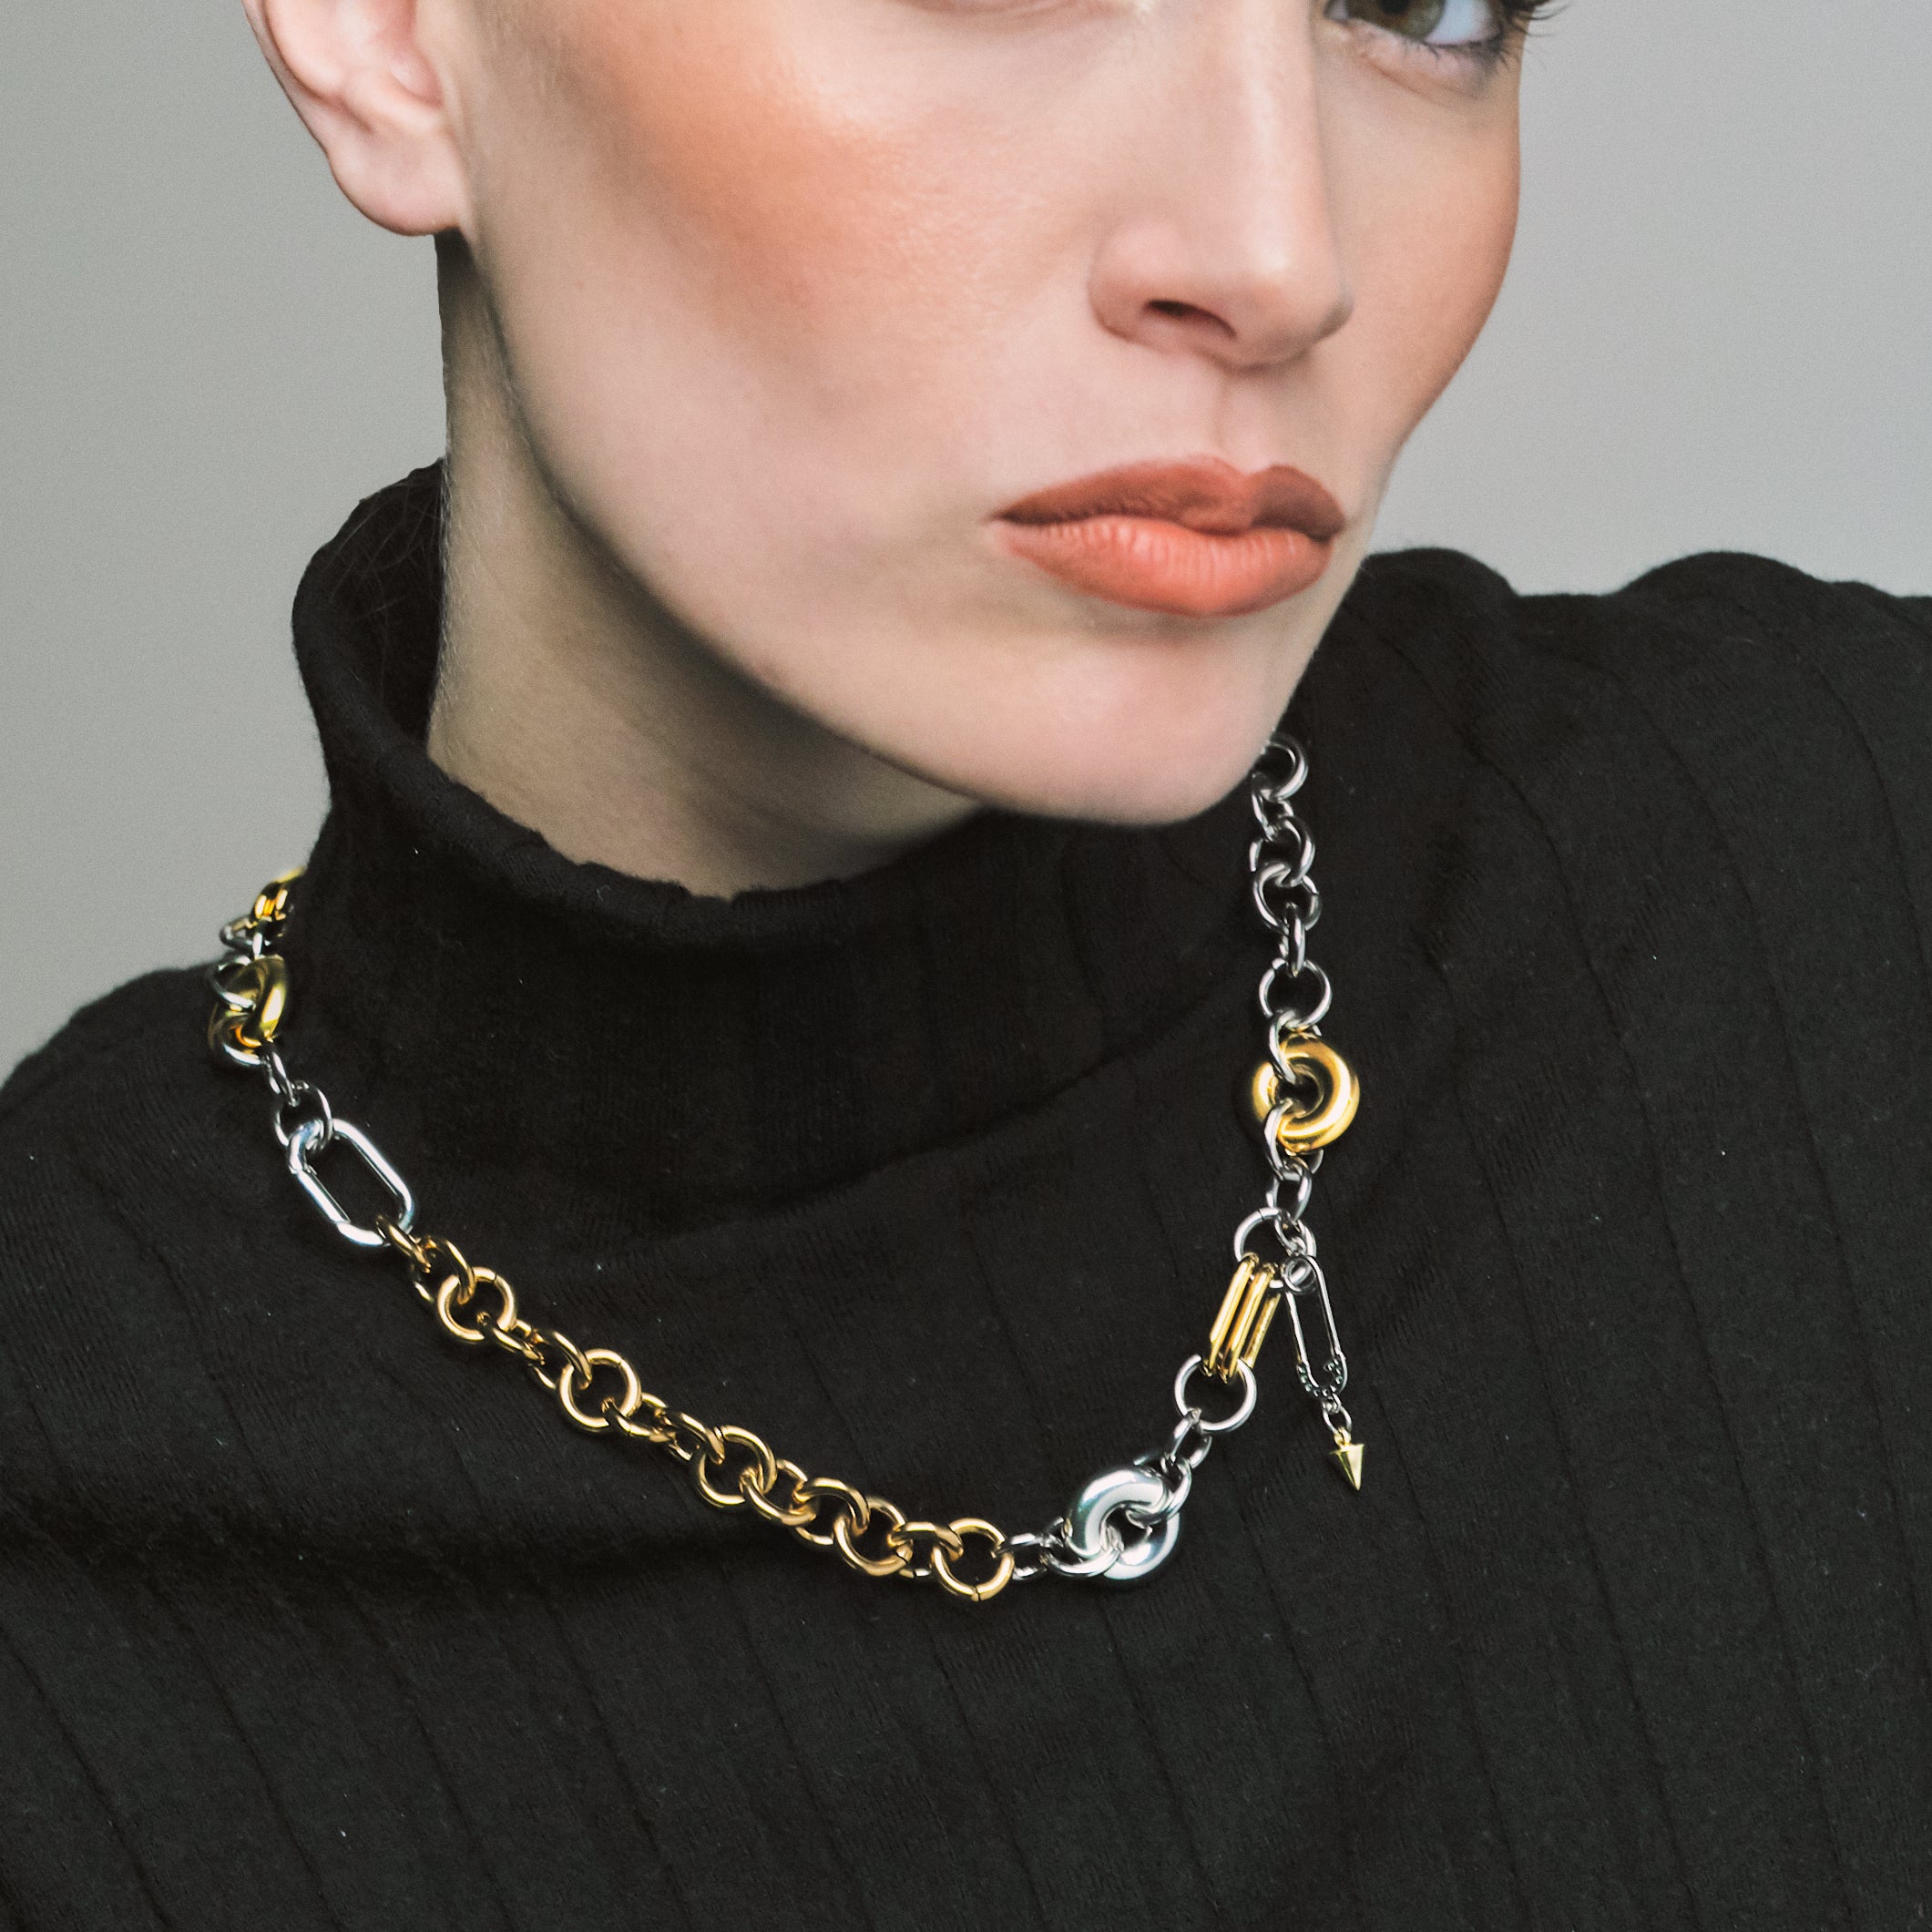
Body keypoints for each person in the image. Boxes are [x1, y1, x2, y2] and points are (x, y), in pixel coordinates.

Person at [1, 0, 1927, 1924]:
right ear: (390, 35)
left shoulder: (1840, 879)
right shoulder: (68, 1543)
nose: (1280, 256)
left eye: (1420, 8)